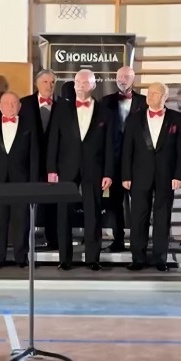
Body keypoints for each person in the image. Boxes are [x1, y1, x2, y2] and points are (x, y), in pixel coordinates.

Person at [47, 69, 114, 271]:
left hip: (94, 169)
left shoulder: (105, 112)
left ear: (93, 86)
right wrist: (51, 169)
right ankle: (64, 259)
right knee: (63, 214)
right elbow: (53, 140)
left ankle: (92, 258)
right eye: (78, 82)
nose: (81, 86)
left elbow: (110, 145)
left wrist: (108, 172)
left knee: (93, 214)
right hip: (66, 168)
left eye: (85, 82)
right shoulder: (61, 109)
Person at [122, 82, 181, 271]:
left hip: (167, 176)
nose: (150, 96)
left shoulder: (177, 119)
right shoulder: (134, 118)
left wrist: (179, 175)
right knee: (138, 217)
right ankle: (138, 258)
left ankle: (160, 259)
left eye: (155, 93)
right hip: (139, 175)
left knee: (162, 217)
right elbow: (127, 149)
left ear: (165, 97)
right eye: (149, 93)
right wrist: (126, 175)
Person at [0, 92, 38, 267]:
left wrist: (33, 183)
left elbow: (34, 156)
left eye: (14, 103)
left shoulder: (30, 124)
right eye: (6, 103)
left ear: (20, 106)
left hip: (22, 181)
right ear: (0, 107)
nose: (10, 106)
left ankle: (21, 258)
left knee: (21, 221)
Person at [101, 66, 147, 252]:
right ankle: (117, 240)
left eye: (127, 76)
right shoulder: (106, 101)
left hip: (138, 162)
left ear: (133, 79)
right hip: (113, 160)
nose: (123, 79)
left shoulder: (144, 101)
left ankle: (139, 243)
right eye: (120, 76)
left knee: (139, 205)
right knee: (114, 204)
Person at [19, 69, 59, 250]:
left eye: (52, 82)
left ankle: (53, 240)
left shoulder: (63, 104)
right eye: (45, 82)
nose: (49, 86)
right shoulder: (24, 104)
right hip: (28, 163)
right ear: (36, 84)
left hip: (55, 164)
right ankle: (25, 243)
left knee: (53, 203)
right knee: (27, 203)